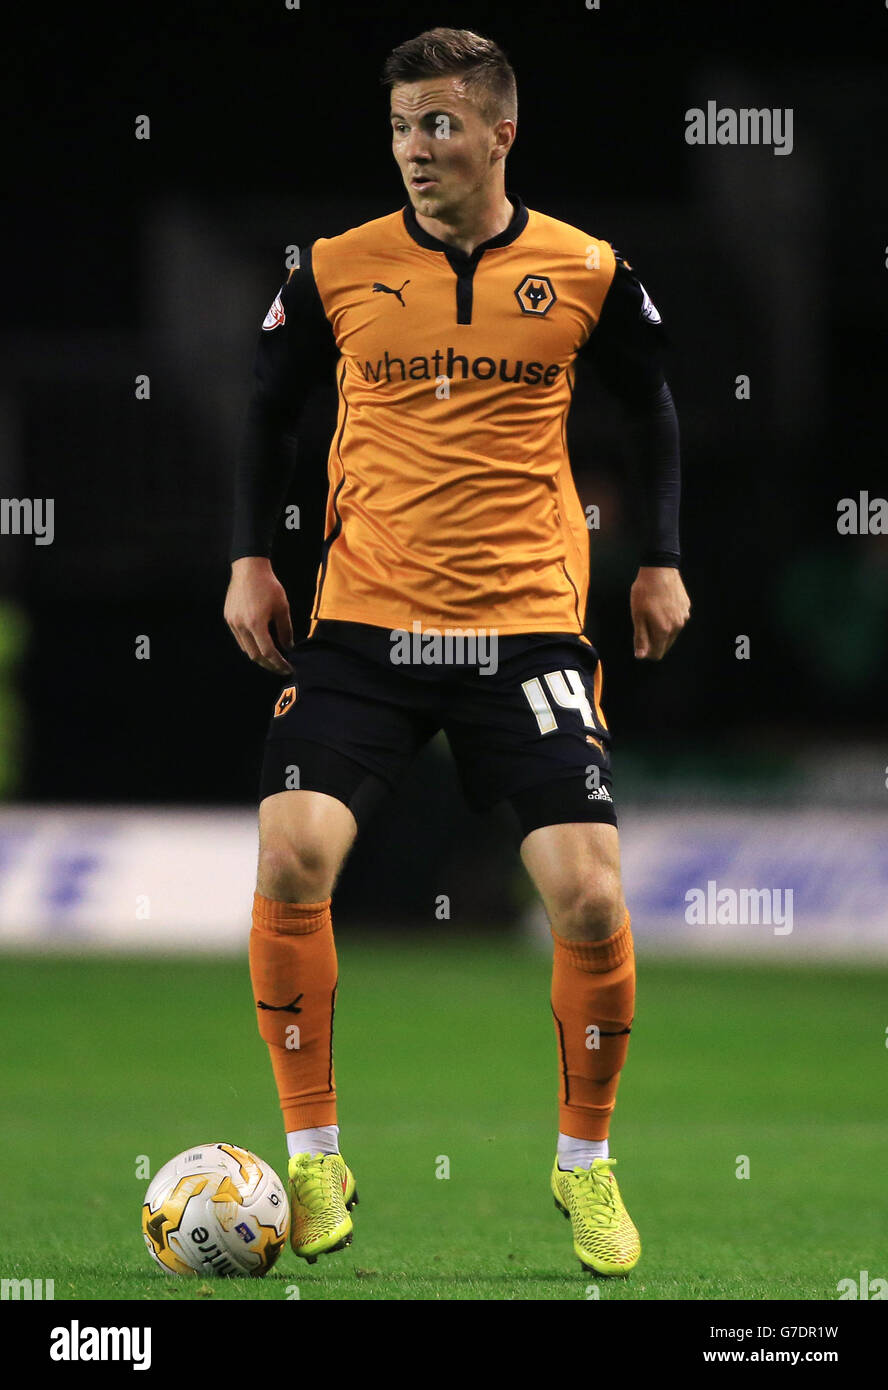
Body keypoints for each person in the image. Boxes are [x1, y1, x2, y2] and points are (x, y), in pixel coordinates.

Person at [224, 26, 690, 1277]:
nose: (416, 151)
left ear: (499, 133)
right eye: (399, 128)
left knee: (590, 893)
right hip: (365, 625)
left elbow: (649, 398)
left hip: (527, 624)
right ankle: (315, 1155)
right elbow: (267, 405)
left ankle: (585, 1170)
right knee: (292, 853)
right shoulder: (334, 267)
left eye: (438, 126)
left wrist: (658, 558)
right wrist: (252, 559)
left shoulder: (586, 268)